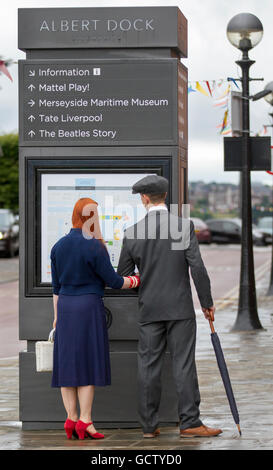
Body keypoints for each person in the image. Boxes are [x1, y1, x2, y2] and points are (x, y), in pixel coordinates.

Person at [117, 174, 222, 438]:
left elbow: (124, 276)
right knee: (183, 364)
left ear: (144, 198)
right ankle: (190, 422)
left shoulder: (132, 233)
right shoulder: (182, 227)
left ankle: (149, 427)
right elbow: (197, 268)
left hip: (149, 309)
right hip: (180, 310)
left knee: (148, 366)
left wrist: (145, 289)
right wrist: (206, 303)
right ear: (165, 196)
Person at [50, 197, 139, 440]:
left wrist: (56, 319)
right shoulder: (96, 246)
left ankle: (70, 418)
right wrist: (136, 280)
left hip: (66, 309)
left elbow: (56, 289)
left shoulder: (58, 246)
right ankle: (86, 421)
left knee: (67, 364)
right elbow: (114, 281)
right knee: (88, 364)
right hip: (88, 308)